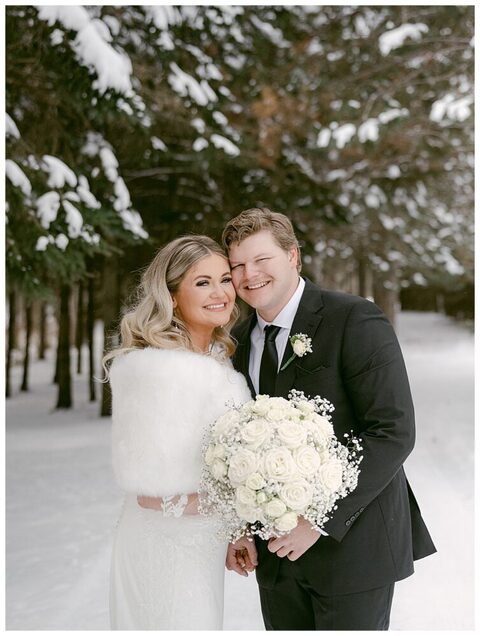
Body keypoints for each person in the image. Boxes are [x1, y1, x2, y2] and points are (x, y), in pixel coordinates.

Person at [222, 207, 436, 631]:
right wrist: (239, 526)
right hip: (277, 559)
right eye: (238, 265)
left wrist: (318, 520)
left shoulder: (354, 319)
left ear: (293, 257)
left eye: (261, 259)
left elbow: (393, 432)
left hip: (354, 549)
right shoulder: (239, 341)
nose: (250, 275)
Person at [105, 235, 251, 630]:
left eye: (225, 279)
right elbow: (156, 496)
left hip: (200, 546)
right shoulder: (157, 370)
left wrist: (235, 531)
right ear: (171, 295)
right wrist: (242, 509)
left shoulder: (217, 358)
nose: (220, 293)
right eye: (202, 282)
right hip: (165, 549)